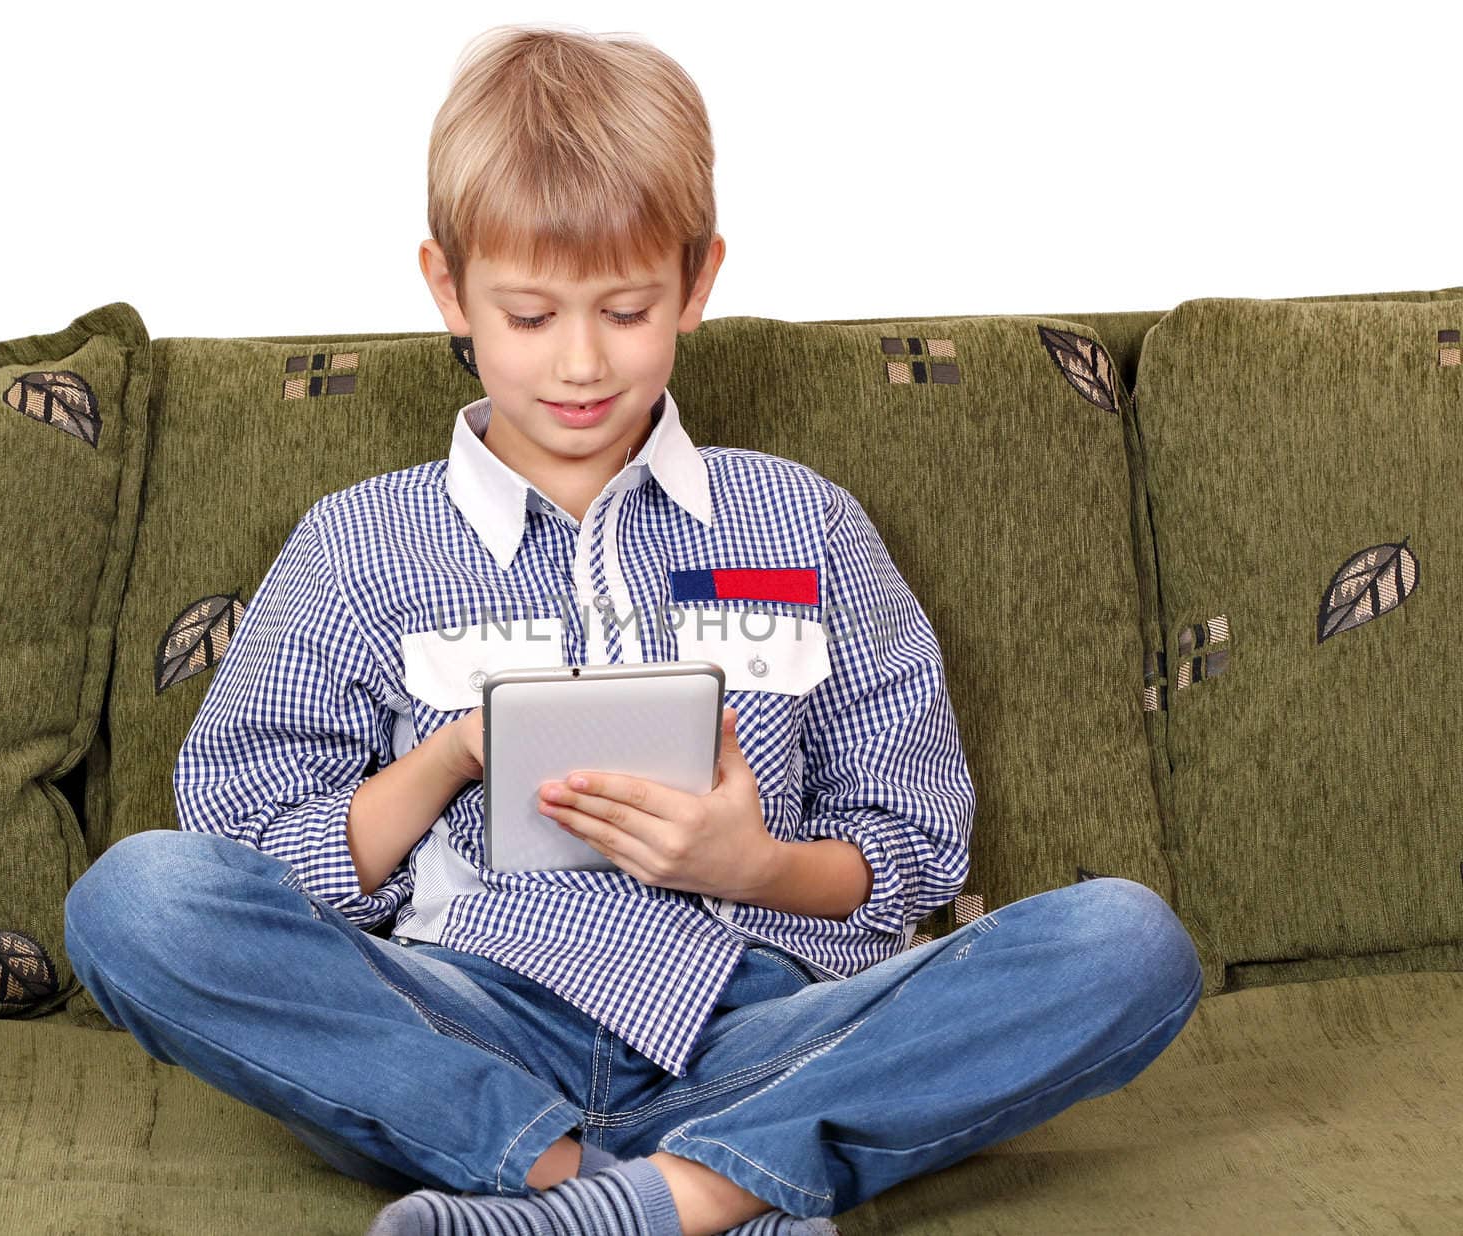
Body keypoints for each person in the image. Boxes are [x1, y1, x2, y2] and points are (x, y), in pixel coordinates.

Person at [62, 23, 1204, 1236]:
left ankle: (634, 1196)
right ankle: (639, 1184)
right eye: (530, 314)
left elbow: (914, 837)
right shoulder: (358, 545)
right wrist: (446, 759)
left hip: (763, 1021)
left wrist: (753, 868)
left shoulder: (802, 523)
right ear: (448, 290)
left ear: (696, 282)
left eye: (625, 308)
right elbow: (246, 855)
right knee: (134, 899)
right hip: (467, 1020)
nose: (581, 361)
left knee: (1126, 943)